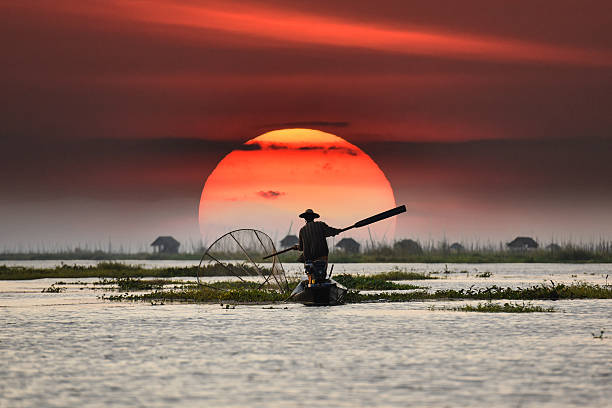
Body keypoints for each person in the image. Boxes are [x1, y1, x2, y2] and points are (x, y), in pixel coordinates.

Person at [292, 209, 342, 284]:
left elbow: (301, 247)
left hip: (309, 258)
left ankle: (311, 282)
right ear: (313, 218)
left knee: (310, 275)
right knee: (322, 273)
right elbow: (330, 231)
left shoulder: (302, 230)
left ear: (305, 219)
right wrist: (338, 231)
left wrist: (297, 247)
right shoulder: (320, 225)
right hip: (322, 255)